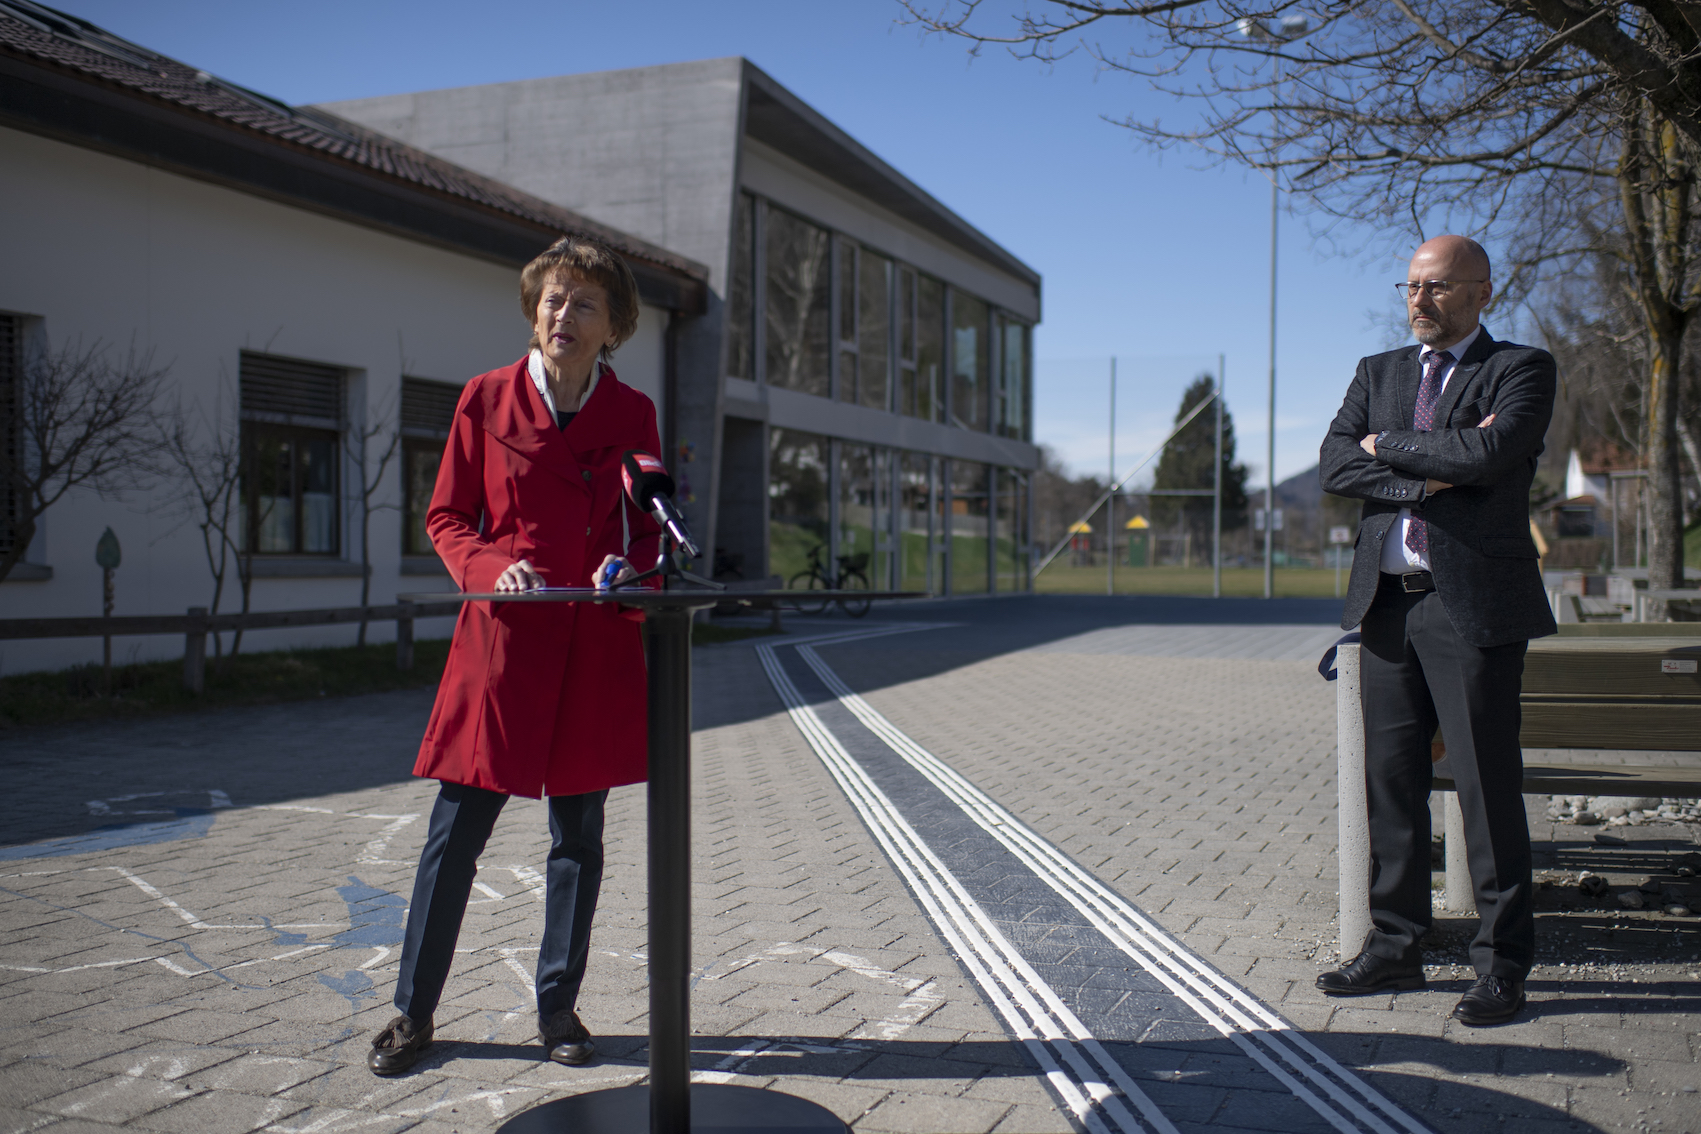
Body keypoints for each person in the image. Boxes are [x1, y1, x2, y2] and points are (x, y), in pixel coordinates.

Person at [367, 236, 663, 1075]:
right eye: (552, 299)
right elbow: (447, 518)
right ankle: (412, 1013)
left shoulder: (632, 414)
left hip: (590, 648)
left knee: (577, 843)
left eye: (584, 304)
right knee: (452, 840)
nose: (562, 315)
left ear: (614, 327)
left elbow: (648, 529)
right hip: (501, 651)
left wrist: (626, 566)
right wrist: (496, 570)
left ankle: (558, 1010)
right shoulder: (485, 399)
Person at [1316, 235, 1556, 1026]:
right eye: (1412, 286)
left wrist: (1393, 450)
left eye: (1440, 288)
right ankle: (1395, 945)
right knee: (1391, 783)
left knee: (1486, 786)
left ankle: (1501, 963)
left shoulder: (1520, 369)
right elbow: (1335, 465)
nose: (1420, 301)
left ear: (1482, 292)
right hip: (1386, 604)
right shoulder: (1376, 372)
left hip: (1470, 609)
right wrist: (1431, 466)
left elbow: (1491, 452)